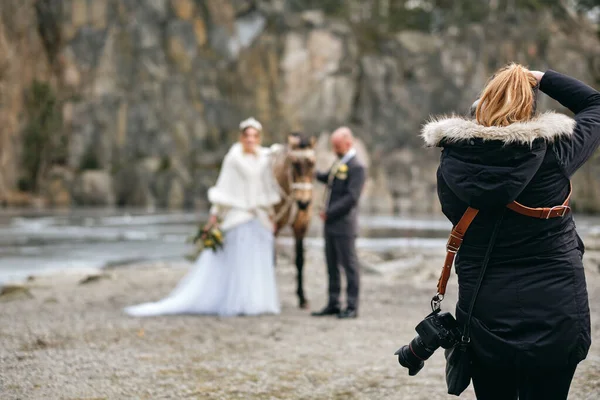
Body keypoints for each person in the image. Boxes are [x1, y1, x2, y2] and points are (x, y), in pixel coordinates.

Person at [421, 64, 599, 399]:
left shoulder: (451, 164)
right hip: (556, 311)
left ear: (482, 105)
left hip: (484, 315)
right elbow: (596, 104)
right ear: (529, 108)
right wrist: (542, 77)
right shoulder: (556, 152)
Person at [124, 117, 282, 317]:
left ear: (259, 138)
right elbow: (224, 187)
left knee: (258, 260)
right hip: (238, 215)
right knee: (239, 261)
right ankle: (238, 301)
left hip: (258, 216)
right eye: (247, 135)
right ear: (241, 137)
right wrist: (213, 218)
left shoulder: (264, 158)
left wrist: (271, 215)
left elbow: (269, 182)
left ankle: (258, 301)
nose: (250, 140)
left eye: (254, 136)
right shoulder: (233, 158)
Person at [312, 127, 366, 319]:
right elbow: (328, 178)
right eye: (333, 146)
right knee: (331, 264)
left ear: (348, 143)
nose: (334, 149)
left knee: (349, 265)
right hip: (330, 224)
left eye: (337, 145)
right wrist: (312, 170)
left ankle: (352, 306)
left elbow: (352, 197)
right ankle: (333, 302)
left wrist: (329, 212)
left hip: (345, 224)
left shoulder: (357, 166)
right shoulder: (339, 162)